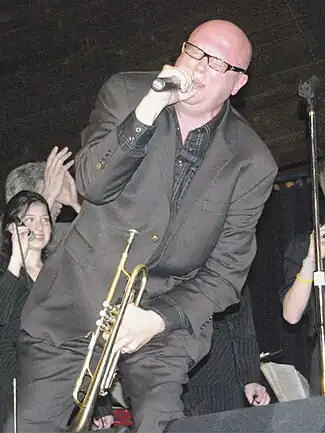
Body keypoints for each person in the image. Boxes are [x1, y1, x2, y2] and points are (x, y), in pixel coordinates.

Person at [6, 19, 277, 433]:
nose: (200, 67)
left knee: (162, 423)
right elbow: (92, 184)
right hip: (75, 298)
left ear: (238, 84)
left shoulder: (252, 162)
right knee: (30, 424)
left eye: (218, 63)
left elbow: (227, 273)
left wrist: (158, 320)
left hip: (162, 317)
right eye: (195, 52)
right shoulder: (127, 92)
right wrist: (148, 110)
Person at [0, 191, 53, 428]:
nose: (40, 227)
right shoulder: (6, 272)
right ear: (12, 227)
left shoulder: (59, 272)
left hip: (54, 374)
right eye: (29, 219)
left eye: (45, 219)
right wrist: (15, 260)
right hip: (11, 379)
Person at [183, 287, 270, 415]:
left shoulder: (225, 271)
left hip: (221, 378)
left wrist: (251, 379)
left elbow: (243, 326)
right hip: (168, 377)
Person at [4, 146, 81, 253]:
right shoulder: (6, 241)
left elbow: (104, 238)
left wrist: (75, 205)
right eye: (53, 194)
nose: (60, 205)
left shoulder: (61, 233)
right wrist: (48, 197)